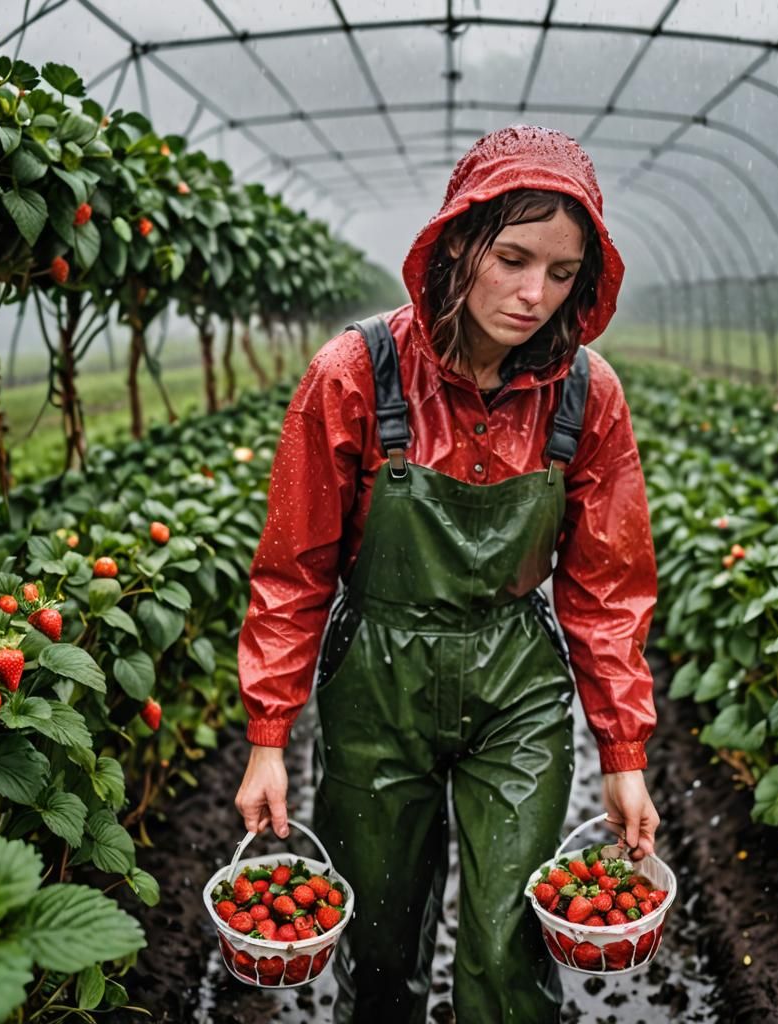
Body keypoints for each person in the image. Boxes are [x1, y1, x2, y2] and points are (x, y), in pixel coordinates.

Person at [234, 124, 660, 1023]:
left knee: (511, 946)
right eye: (513, 259)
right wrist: (269, 735)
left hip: (517, 687)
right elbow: (294, 571)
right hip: (376, 686)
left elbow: (607, 590)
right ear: (459, 244)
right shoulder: (356, 374)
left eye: (562, 272)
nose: (535, 295)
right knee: (380, 942)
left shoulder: (585, 393)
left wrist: (624, 754)